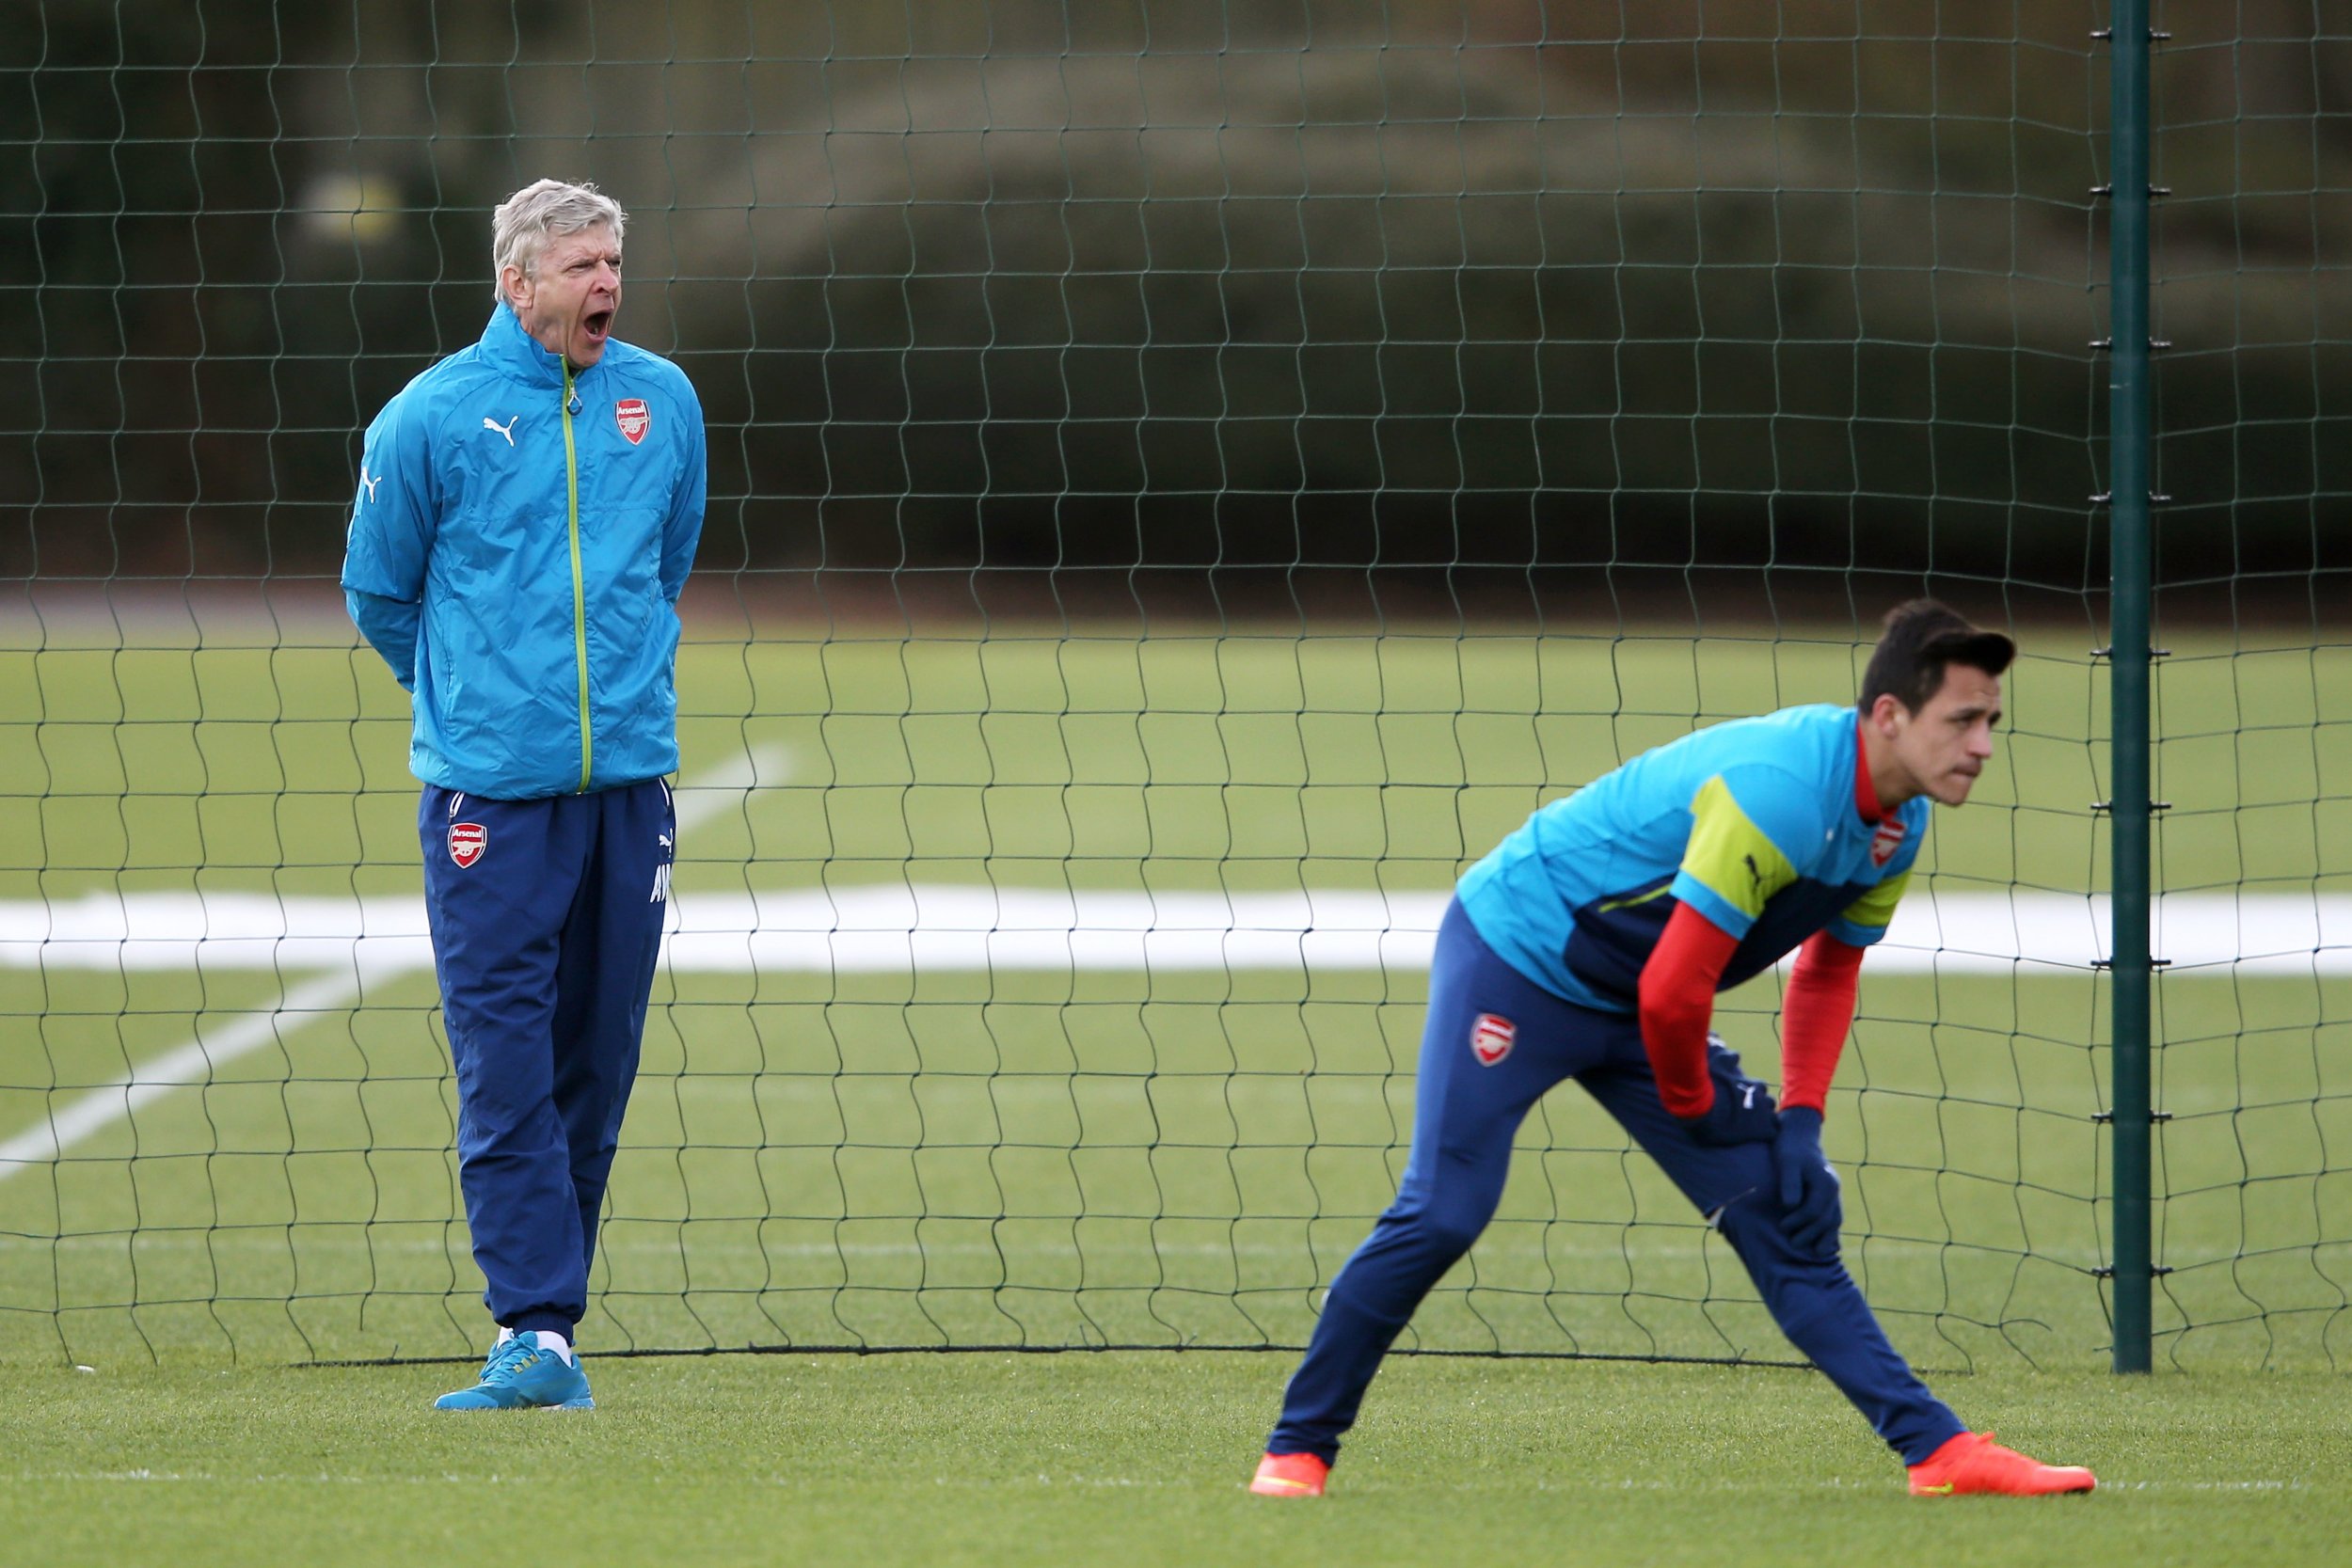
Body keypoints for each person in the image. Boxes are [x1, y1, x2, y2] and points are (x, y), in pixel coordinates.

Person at [1249, 601, 2096, 1498]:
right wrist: (1694, 1102)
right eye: (1962, 719)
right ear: (1889, 715)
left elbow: (1826, 971)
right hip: (1518, 957)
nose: (1983, 744)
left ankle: (1939, 1452)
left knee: (1783, 1209)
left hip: (1646, 996)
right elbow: (1672, 991)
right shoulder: (1777, 794)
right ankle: (1297, 1451)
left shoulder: (1899, 824)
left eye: (1991, 721)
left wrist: (1800, 1122)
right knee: (1445, 1210)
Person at [342, 179, 706, 1410]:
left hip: (630, 794)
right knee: (505, 1063)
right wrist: (470, 702)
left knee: (593, 1060)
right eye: (583, 266)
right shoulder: (429, 420)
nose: (608, 283)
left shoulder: (665, 402)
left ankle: (549, 1329)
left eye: (615, 261)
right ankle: (534, 1325)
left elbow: (666, 562)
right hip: (490, 803)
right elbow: (379, 591)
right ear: (517, 282)